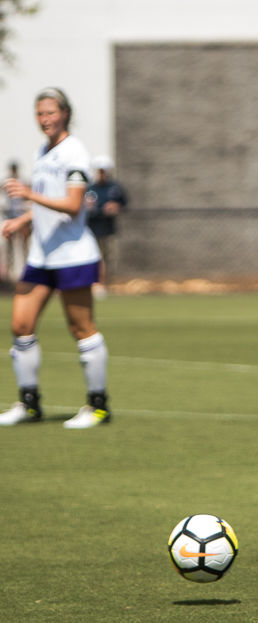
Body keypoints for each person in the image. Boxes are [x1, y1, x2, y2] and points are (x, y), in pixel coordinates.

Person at [0, 87, 111, 429]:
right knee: (21, 326)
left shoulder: (74, 153)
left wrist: (29, 193)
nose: (45, 119)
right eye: (40, 114)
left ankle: (98, 407)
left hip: (72, 255)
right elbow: (49, 200)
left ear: (65, 114)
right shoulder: (42, 151)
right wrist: (24, 217)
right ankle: (29, 405)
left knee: (81, 329)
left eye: (50, 113)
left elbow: (74, 205)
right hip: (43, 254)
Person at [84, 154, 127, 294]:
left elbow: (124, 203)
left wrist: (116, 207)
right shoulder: (90, 188)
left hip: (108, 228)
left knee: (107, 258)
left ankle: (106, 284)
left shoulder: (114, 187)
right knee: (93, 258)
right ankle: (95, 284)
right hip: (91, 229)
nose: (101, 174)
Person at [2, 160, 29, 284]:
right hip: (10, 217)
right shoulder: (6, 182)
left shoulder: (22, 182)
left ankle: (25, 271)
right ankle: (10, 274)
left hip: (21, 218)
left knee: (24, 247)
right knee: (10, 248)